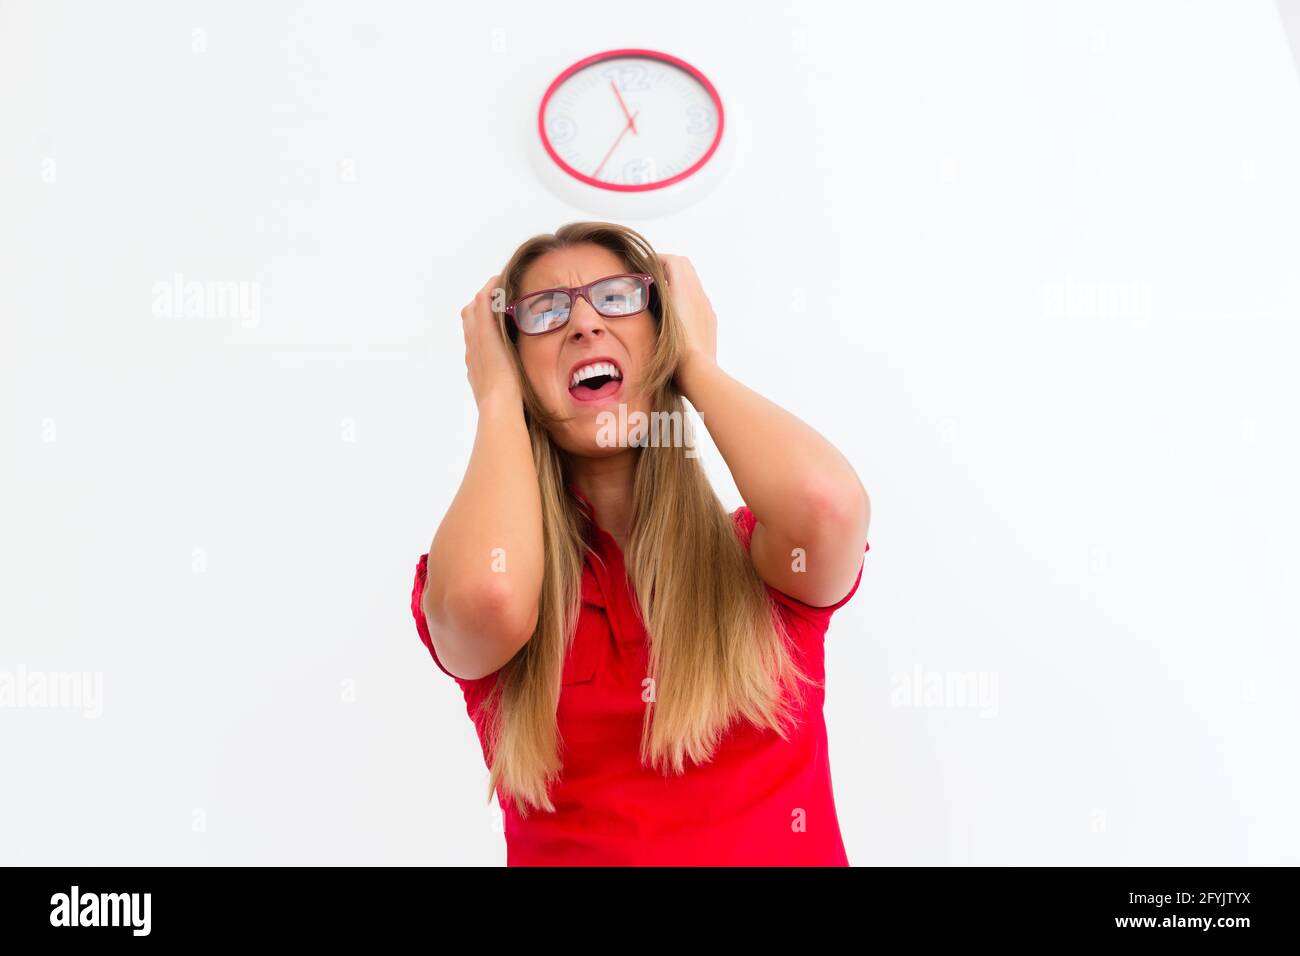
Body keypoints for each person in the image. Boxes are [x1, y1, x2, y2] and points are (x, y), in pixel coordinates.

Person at [411, 221, 871, 865]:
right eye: (545, 312)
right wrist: (494, 402)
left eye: (619, 298)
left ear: (662, 334)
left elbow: (828, 507)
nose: (584, 324)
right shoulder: (501, 570)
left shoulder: (758, 562)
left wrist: (695, 365)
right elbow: (487, 597)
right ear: (515, 366)